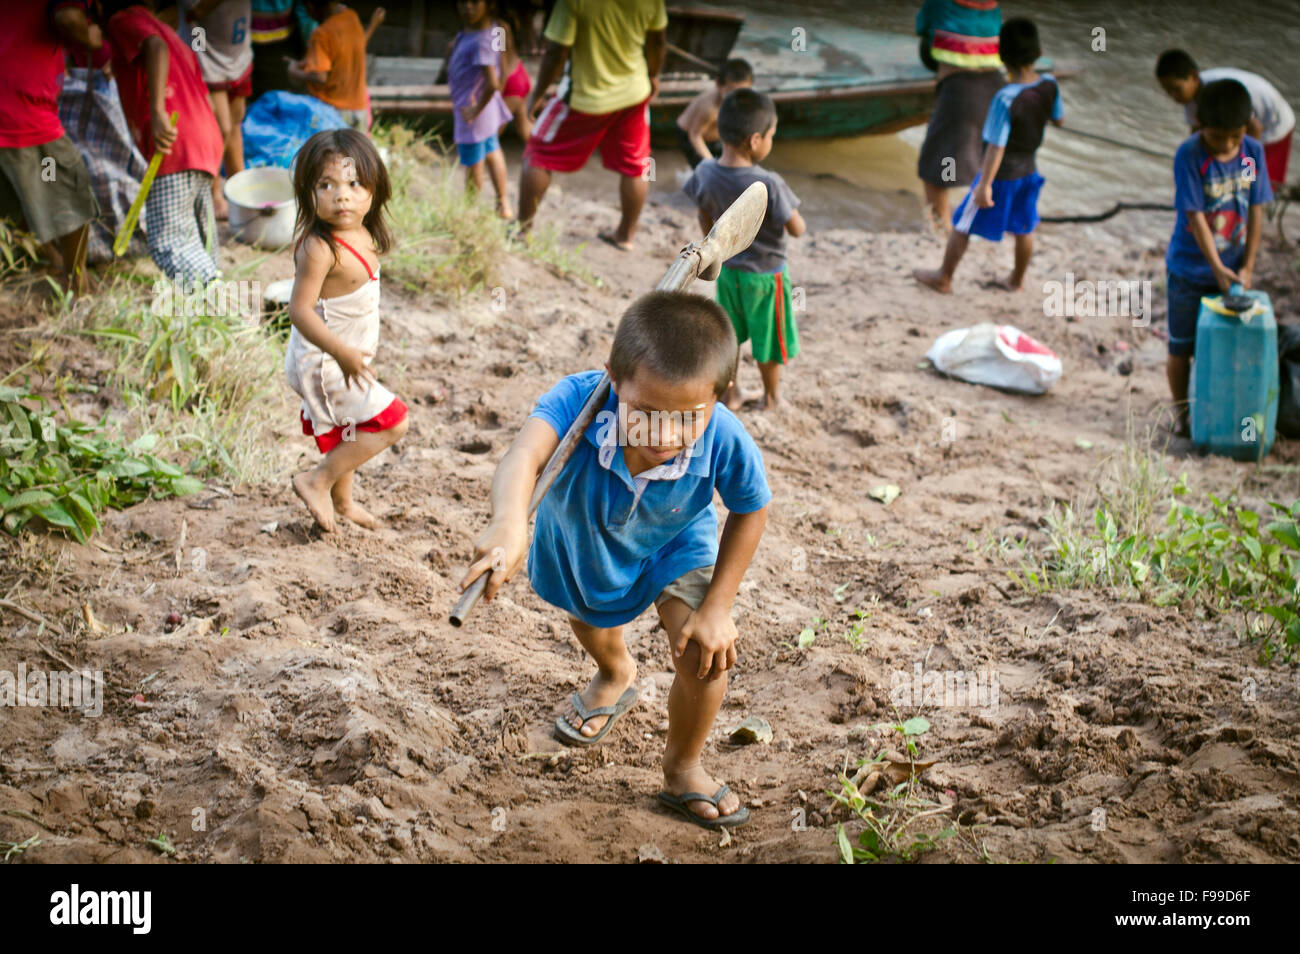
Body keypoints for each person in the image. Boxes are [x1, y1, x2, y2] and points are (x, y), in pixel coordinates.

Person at [458, 291, 771, 829]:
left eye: (687, 419)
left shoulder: (722, 434)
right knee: (593, 618)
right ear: (612, 379)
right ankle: (616, 670)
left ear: (720, 399)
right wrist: (510, 521)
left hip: (675, 538)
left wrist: (719, 605)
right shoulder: (579, 400)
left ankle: (683, 768)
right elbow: (524, 455)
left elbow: (751, 507)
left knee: (703, 653)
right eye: (645, 413)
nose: (664, 437)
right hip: (584, 540)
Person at [285, 129, 408, 532]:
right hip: (324, 360)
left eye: (354, 183)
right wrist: (341, 352)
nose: (342, 195)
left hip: (345, 355)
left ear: (375, 188)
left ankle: (343, 501)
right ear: (308, 193)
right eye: (327, 185)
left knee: (350, 427)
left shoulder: (362, 233)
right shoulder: (320, 248)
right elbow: (299, 311)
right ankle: (316, 480)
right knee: (392, 422)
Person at [913, 18, 1062, 295]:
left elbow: (996, 146)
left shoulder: (1004, 98)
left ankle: (944, 278)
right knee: (1025, 227)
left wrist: (984, 185)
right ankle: (1017, 280)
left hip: (1001, 176)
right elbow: (1059, 119)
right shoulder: (1050, 85)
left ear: (1001, 55)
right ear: (1038, 52)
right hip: (1029, 172)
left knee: (961, 225)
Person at [683, 88, 805, 411]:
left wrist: (719, 248)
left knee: (731, 336)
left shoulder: (705, 172)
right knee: (769, 341)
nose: (771, 142)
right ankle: (772, 397)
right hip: (766, 278)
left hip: (728, 272)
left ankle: (731, 393)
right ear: (754, 140)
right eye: (771, 136)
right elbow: (797, 228)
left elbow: (703, 215)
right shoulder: (769, 183)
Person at [1163, 79, 1272, 437]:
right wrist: (1216, 268)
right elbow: (1195, 217)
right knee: (1181, 346)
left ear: (1246, 128)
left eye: (1234, 137)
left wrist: (1248, 264)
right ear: (1198, 123)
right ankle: (1183, 418)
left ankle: (1226, 412)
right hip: (1190, 268)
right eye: (1216, 137)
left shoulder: (1251, 153)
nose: (1226, 145)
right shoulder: (1189, 155)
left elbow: (1256, 207)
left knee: (1229, 344)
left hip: (1235, 267)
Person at [519, 0, 666, 251]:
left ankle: (521, 232)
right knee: (637, 164)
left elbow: (556, 52)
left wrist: (537, 95)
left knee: (538, 154)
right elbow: (658, 42)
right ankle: (625, 236)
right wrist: (653, 74)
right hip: (634, 93)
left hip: (584, 96)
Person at [98, 0, 225, 285]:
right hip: (205, 140)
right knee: (201, 238)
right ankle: (211, 313)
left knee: (169, 241)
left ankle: (218, 303)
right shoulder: (173, 36)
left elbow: (154, 47)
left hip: (175, 141)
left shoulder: (122, 19)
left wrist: (157, 111)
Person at [0, 1, 104, 295]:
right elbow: (68, 17)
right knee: (66, 191)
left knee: (18, 196)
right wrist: (91, 36)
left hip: (14, 110)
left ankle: (51, 259)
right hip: (21, 112)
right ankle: (75, 281)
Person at [914, 0, 1004, 231]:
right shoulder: (992, 6)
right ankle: (985, 221)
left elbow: (922, 28)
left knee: (935, 171)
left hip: (961, 91)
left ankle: (941, 230)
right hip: (996, 87)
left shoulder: (940, 4)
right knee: (987, 160)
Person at [1156, 50, 1294, 191]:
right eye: (1168, 91)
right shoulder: (1190, 98)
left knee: (1262, 187)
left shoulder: (1222, 93)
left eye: (1177, 89)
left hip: (1274, 126)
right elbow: (1197, 134)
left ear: (1193, 76)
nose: (1173, 96)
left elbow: (1254, 130)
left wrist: (1248, 174)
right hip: (1248, 126)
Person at [175, 0, 253, 220]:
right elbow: (195, 11)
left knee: (236, 121)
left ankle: (241, 188)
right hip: (203, 48)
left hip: (238, 53)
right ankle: (212, 192)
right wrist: (196, 60)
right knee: (222, 128)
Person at [448, 0, 513, 216]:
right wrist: (500, 84)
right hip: (487, 104)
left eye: (475, 2)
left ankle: (470, 211)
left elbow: (493, 82)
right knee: (493, 149)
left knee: (474, 162)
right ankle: (503, 203)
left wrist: (476, 110)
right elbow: (500, 60)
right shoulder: (493, 28)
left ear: (489, 4)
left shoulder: (481, 41)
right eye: (463, 2)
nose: (467, 7)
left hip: (473, 109)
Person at [287, 1, 368, 130]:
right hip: (360, 108)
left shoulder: (322, 33)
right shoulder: (352, 17)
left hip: (334, 113)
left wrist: (294, 71)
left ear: (311, 6)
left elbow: (321, 77)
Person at [675, 58, 752, 169]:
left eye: (742, 93)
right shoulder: (710, 108)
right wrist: (712, 164)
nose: (737, 98)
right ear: (718, 84)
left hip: (710, 135)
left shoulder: (737, 101)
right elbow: (695, 135)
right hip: (689, 134)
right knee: (704, 169)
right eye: (731, 93)